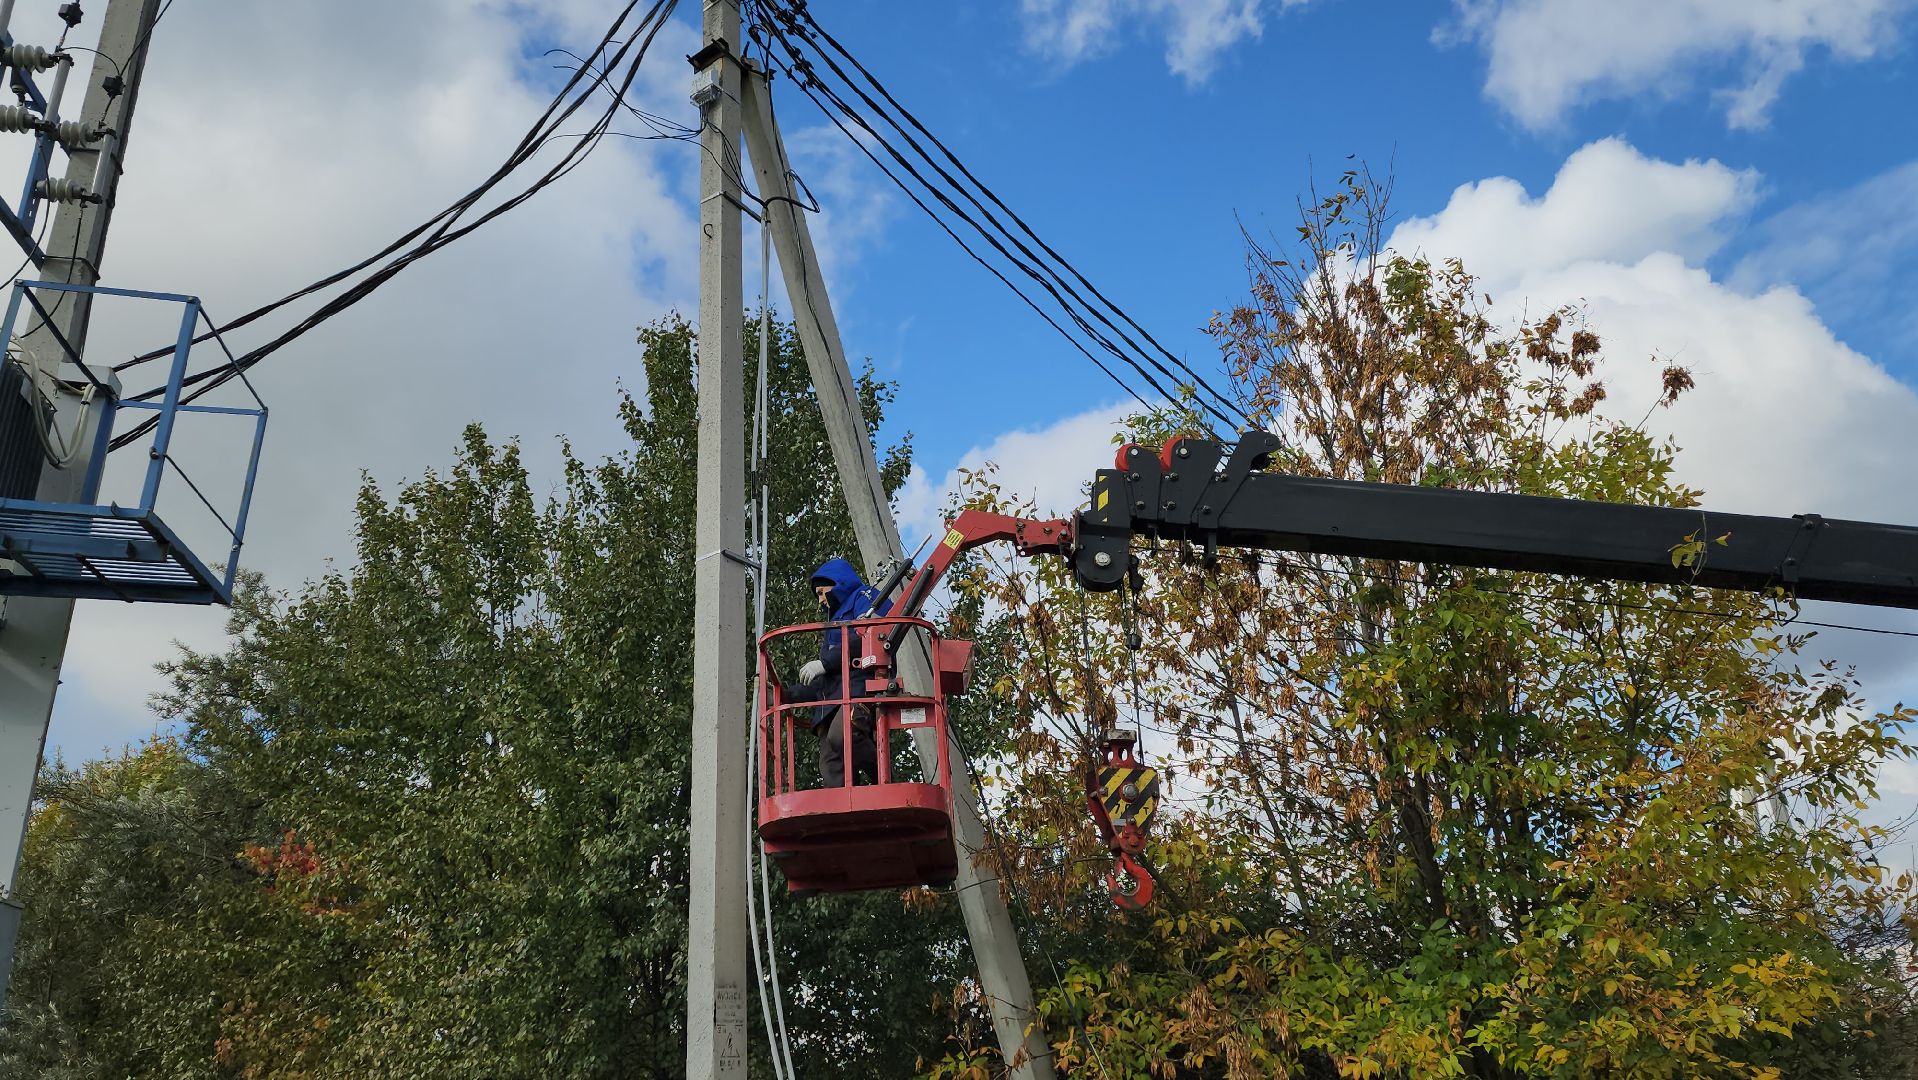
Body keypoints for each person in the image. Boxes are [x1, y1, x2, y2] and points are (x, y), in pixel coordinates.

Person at [786, 557, 892, 787]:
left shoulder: (864, 597)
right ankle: (846, 819)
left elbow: (873, 634)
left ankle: (884, 778)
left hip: (859, 687)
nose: (821, 600)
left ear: (838, 583)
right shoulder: (833, 624)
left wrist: (826, 663)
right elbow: (828, 675)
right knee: (830, 763)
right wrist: (790, 695)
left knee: (843, 735)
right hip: (833, 699)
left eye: (822, 592)